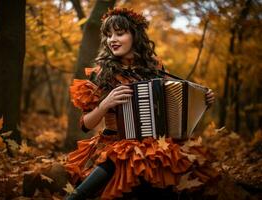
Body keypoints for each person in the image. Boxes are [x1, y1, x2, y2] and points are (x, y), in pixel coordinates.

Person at [65, 7, 217, 200]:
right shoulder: (101, 73)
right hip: (115, 143)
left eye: (119, 34)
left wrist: (202, 101)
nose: (112, 40)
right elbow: (85, 125)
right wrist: (104, 105)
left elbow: (173, 104)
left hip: (155, 142)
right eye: (109, 35)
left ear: (135, 36)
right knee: (123, 155)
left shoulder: (156, 67)